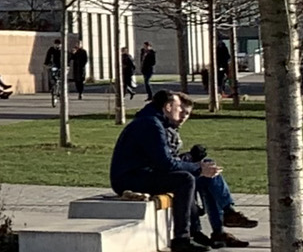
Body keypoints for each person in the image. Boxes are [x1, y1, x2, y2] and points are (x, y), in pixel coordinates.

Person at [111, 90, 211, 252]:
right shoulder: (151, 124)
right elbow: (166, 163)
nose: (181, 111)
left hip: (139, 173)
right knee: (185, 179)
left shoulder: (153, 121)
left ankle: (198, 230)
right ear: (168, 107)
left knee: (189, 174)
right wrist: (198, 168)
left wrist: (196, 166)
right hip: (129, 179)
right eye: (179, 107)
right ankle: (182, 238)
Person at [168, 91, 259, 246]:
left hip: (175, 171)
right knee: (206, 175)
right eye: (181, 111)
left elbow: (171, 156)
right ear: (170, 108)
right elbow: (165, 161)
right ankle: (226, 215)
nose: (183, 116)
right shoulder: (160, 128)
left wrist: (190, 157)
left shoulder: (171, 128)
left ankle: (220, 229)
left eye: (187, 114)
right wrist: (194, 164)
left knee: (208, 174)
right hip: (165, 177)